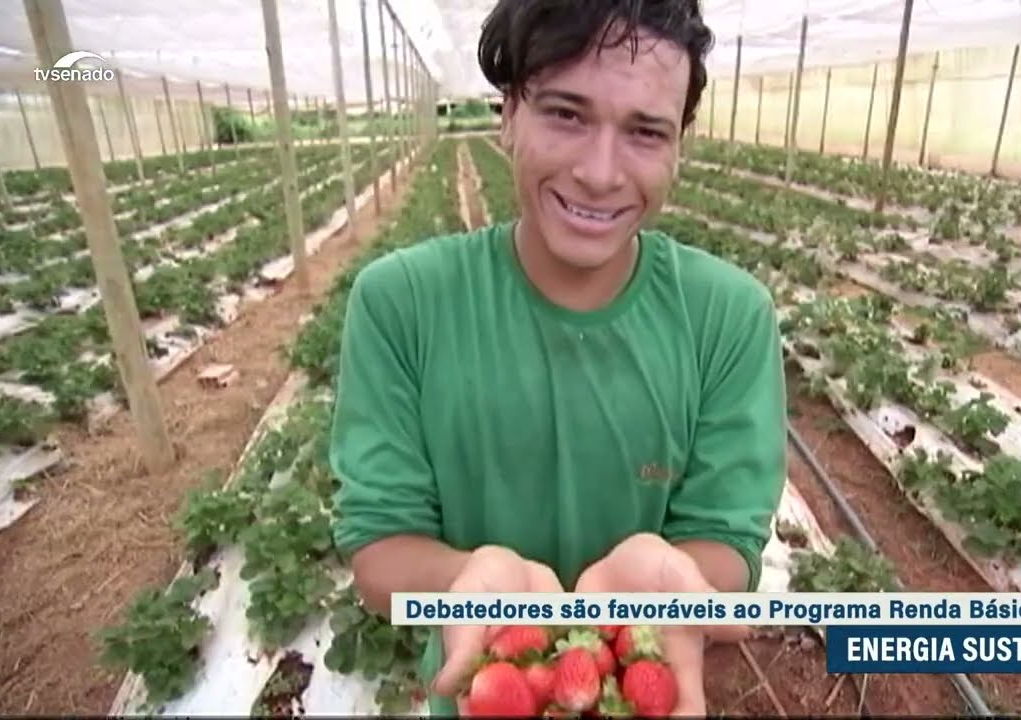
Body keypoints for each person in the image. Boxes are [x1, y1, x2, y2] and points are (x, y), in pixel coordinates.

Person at [328, 0, 787, 714]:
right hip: (487, 695)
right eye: (566, 114)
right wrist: (465, 578)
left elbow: (725, 541)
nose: (600, 173)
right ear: (508, 112)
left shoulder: (728, 316)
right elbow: (381, 550)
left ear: (678, 145)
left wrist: (672, 579)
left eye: (645, 131)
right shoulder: (402, 304)